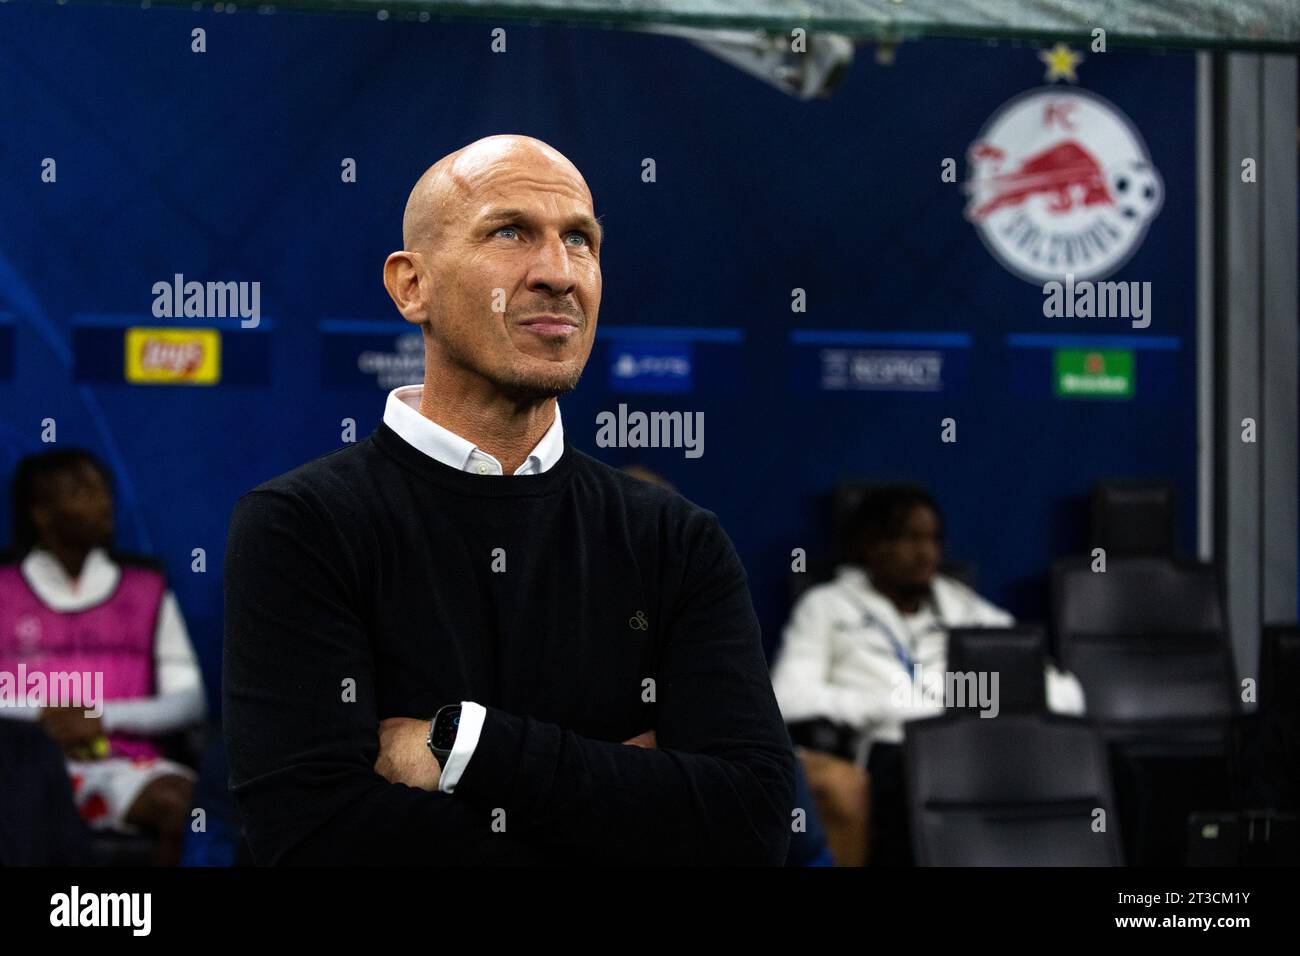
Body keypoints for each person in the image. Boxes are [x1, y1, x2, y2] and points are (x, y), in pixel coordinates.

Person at [222, 134, 795, 865]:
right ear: (411, 287)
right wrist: (627, 792)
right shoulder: (302, 526)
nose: (558, 273)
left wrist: (465, 745)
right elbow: (313, 840)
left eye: (580, 240)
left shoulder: (675, 539)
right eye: (510, 232)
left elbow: (750, 826)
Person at [770, 484, 1084, 865]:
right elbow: (787, 697)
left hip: (980, 739)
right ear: (871, 545)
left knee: (1115, 770)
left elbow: (1053, 682)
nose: (926, 553)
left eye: (934, 539)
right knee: (916, 776)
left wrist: (1005, 701)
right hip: (893, 748)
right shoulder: (827, 606)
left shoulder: (960, 604)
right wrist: (881, 707)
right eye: (910, 539)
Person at [0, 449, 207, 865]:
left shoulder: (145, 588)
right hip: (16, 769)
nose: (103, 501)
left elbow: (190, 702)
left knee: (182, 803)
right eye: (82, 491)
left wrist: (99, 718)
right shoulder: (3, 588)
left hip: (121, 766)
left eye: (102, 489)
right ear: (42, 514)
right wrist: (43, 719)